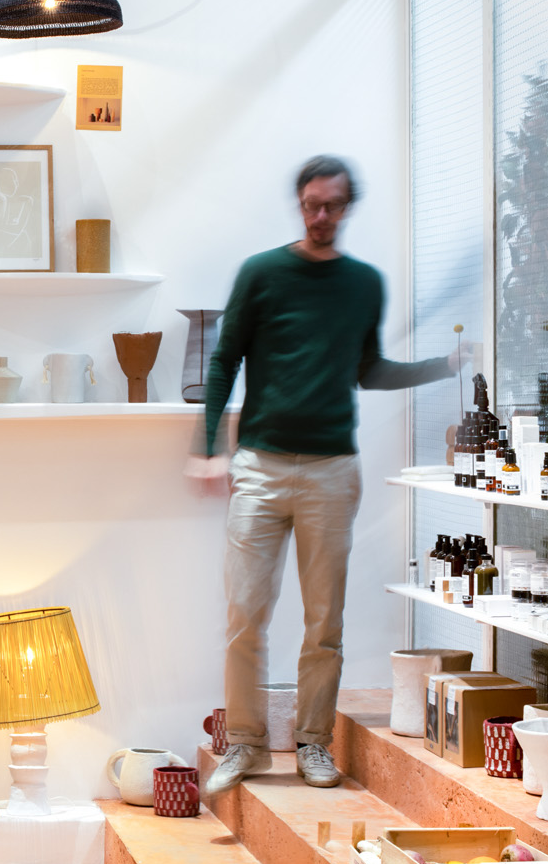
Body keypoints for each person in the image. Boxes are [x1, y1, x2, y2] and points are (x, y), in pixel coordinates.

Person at [188, 155, 470, 797]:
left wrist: (443, 366)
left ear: (346, 208)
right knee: (244, 614)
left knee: (324, 623)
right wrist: (208, 448)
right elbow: (225, 359)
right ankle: (246, 743)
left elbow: (368, 370)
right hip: (260, 466)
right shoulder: (262, 273)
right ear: (300, 204)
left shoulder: (363, 284)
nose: (320, 216)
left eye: (332, 206)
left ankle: (313, 742)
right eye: (311, 205)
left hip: (332, 472)